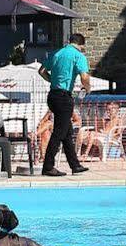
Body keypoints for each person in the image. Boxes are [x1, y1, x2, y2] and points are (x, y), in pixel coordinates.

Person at [36, 32, 91, 176]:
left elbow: (41, 71)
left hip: (53, 95)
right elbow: (84, 76)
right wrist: (88, 88)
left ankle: (75, 165)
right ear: (81, 45)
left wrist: (53, 80)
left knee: (67, 132)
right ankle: (48, 167)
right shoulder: (78, 56)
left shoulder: (57, 53)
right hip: (63, 97)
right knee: (59, 133)